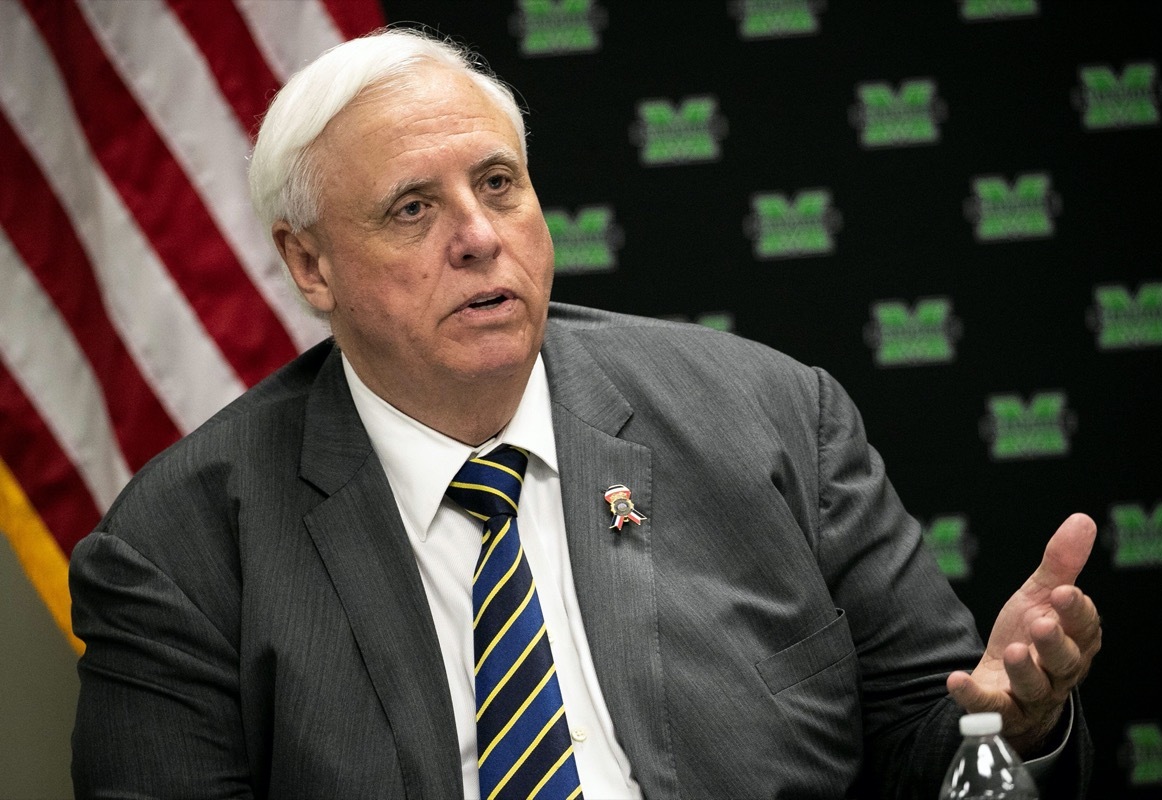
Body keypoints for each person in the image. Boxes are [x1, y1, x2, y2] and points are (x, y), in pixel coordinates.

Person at [69, 27, 1101, 800]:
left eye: (498, 183)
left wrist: (1015, 718)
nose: (479, 237)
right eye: (413, 208)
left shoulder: (775, 418)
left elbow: (935, 740)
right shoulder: (181, 550)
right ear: (310, 264)